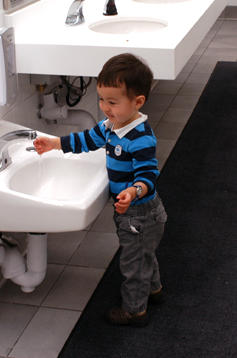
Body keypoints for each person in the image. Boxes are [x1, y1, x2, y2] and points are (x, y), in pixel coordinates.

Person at [33, 53, 166, 327]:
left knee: (133, 264)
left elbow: (149, 175)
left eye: (112, 102)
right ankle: (154, 290)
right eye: (102, 99)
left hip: (141, 213)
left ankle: (134, 311)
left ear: (137, 102)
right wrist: (55, 143)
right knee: (142, 255)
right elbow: (85, 140)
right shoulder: (111, 125)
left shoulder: (140, 137)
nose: (104, 107)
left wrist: (133, 191)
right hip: (131, 213)